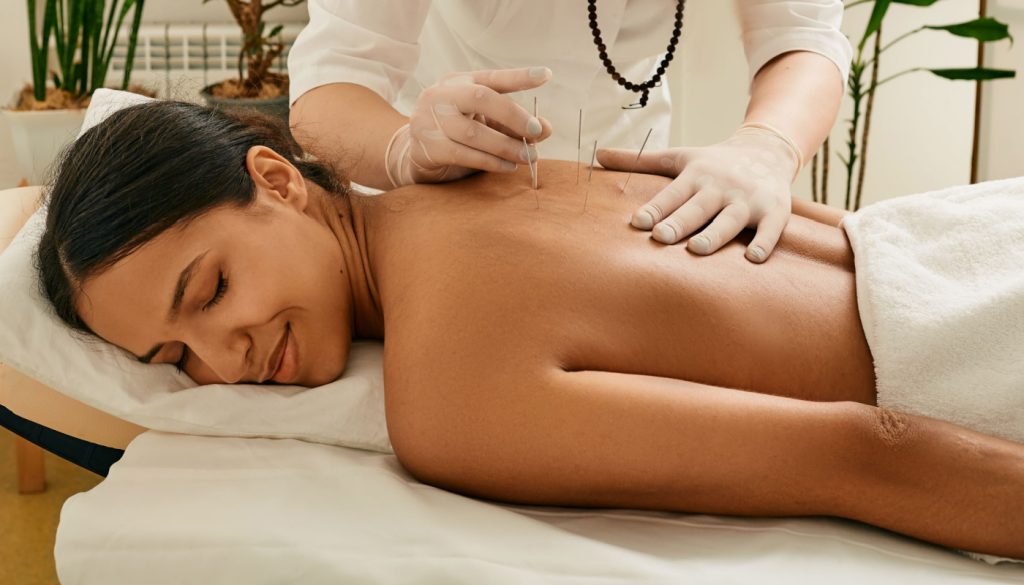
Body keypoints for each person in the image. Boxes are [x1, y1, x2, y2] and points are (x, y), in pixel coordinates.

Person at [38, 102, 1023, 561]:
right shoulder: (488, 174)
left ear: (278, 180)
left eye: (208, 292)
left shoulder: (454, 400)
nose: (225, 360)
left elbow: (863, 451)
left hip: (977, 335)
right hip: (967, 231)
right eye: (172, 360)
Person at [287, 0, 853, 263]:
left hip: (631, 211)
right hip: (450, 210)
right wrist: (402, 150)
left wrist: (767, 145)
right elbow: (329, 84)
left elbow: (800, 35)